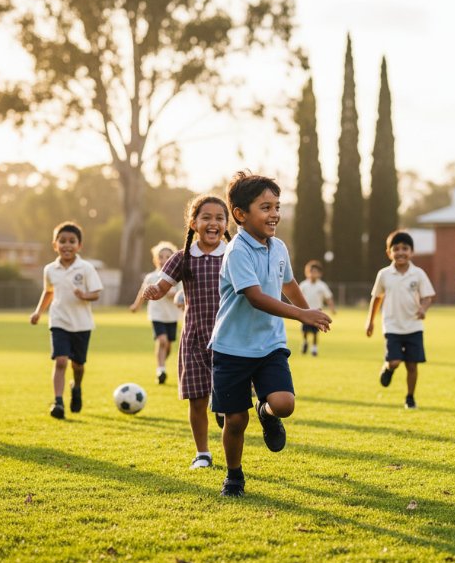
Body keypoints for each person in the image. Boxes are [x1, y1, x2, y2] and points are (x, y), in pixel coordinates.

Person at [210, 171, 332, 496]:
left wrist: (310, 316)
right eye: (265, 207)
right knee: (235, 421)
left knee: (284, 403)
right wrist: (301, 314)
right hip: (232, 348)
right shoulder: (236, 251)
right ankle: (233, 476)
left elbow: (288, 283)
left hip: (269, 346)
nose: (274, 214)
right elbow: (256, 296)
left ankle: (265, 412)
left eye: (277, 206)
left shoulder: (278, 247)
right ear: (240, 214)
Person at [142, 195, 231, 470]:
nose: (213, 223)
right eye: (206, 217)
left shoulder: (233, 253)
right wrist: (154, 292)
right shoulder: (184, 257)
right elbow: (163, 285)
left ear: (227, 224)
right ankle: (202, 453)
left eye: (219, 218)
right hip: (194, 338)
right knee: (196, 400)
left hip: (229, 339)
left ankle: (222, 408)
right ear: (193, 223)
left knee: (230, 401)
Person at [30, 222, 103, 420]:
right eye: (62, 241)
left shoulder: (86, 268)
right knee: (61, 361)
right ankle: (58, 402)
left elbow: (96, 294)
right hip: (59, 321)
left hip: (82, 324)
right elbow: (48, 291)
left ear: (79, 245)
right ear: (55, 245)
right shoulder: (50, 269)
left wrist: (84, 295)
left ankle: (77, 387)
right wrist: (38, 312)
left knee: (78, 365)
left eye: (72, 241)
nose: (67, 245)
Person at [365, 230, 436, 410]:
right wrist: (370, 321)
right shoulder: (384, 274)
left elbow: (428, 297)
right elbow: (377, 298)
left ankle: (410, 397)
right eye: (396, 249)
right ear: (389, 253)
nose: (401, 252)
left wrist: (423, 308)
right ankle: (388, 368)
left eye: (405, 248)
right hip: (392, 326)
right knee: (395, 361)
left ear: (412, 252)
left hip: (414, 326)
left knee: (412, 366)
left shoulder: (418, 274)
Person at [130, 241, 183, 385]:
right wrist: (136, 305)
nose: (164, 260)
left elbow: (181, 294)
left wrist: (174, 294)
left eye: (168, 257)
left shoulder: (177, 278)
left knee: (168, 346)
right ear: (155, 259)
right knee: (162, 341)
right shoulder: (151, 277)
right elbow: (143, 292)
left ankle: (161, 364)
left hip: (171, 316)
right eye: (161, 256)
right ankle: (161, 369)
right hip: (157, 315)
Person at [298, 260, 336, 357]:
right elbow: (297, 296)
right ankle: (305, 342)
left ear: (319, 274)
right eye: (311, 272)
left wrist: (332, 308)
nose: (313, 274)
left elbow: (328, 297)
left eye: (315, 272)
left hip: (317, 312)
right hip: (306, 311)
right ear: (307, 273)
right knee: (305, 331)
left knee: (315, 332)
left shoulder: (322, 286)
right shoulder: (303, 285)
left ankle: (314, 348)